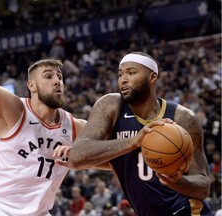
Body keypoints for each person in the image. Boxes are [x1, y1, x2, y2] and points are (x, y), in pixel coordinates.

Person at [0, 4, 110, 216]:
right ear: (31, 86)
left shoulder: (74, 127)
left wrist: (79, 156)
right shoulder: (13, 108)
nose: (57, 81)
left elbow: (114, 161)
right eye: (49, 76)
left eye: (60, 76)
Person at [57, 52, 212, 215]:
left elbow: (203, 187)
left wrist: (179, 182)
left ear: (152, 77)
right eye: (120, 74)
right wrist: (134, 142)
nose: (123, 79)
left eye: (131, 73)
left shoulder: (183, 117)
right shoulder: (111, 106)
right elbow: (78, 155)